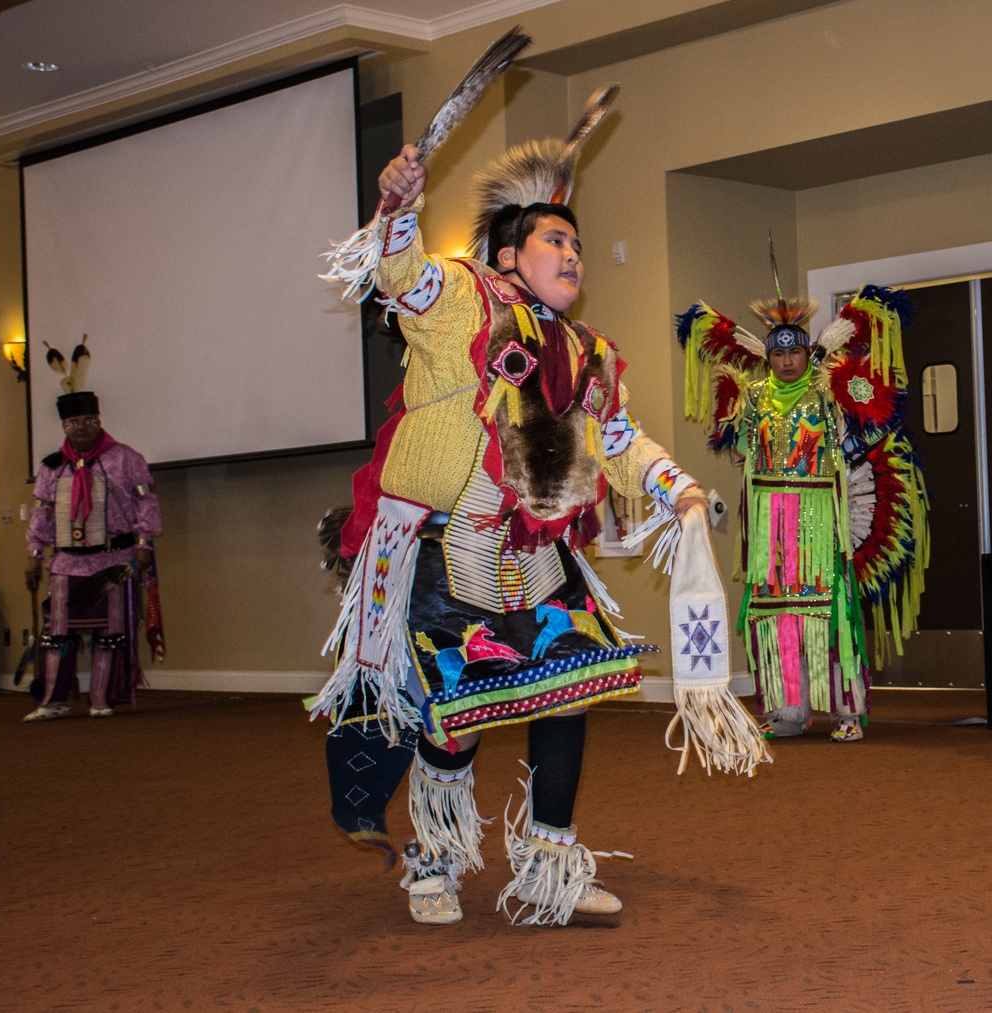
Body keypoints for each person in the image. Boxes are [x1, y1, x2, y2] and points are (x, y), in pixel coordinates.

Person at [306, 115, 729, 930]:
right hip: (442, 547)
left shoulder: (587, 353)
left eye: (577, 244)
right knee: (457, 710)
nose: (573, 254)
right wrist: (398, 207)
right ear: (508, 255)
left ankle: (549, 867)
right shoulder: (461, 297)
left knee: (565, 693)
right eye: (555, 240)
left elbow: (615, 439)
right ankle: (434, 857)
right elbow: (400, 274)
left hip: (533, 550)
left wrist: (676, 488)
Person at [677, 285, 927, 744]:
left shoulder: (828, 390)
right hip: (770, 524)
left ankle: (847, 710)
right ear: (768, 357)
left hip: (819, 520)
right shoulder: (753, 398)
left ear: (808, 354)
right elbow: (734, 443)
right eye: (778, 354)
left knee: (831, 613)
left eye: (796, 353)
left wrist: (849, 379)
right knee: (777, 614)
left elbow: (875, 412)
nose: (787, 361)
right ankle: (788, 711)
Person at [24, 389, 162, 722]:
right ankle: (53, 701)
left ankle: (102, 698)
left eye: (89, 421)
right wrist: (34, 554)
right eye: (74, 422)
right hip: (66, 562)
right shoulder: (52, 466)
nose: (82, 427)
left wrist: (143, 544)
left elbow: (147, 502)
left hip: (113, 560)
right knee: (57, 634)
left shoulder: (126, 458)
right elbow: (41, 514)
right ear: (64, 426)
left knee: (111, 634)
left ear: (99, 422)